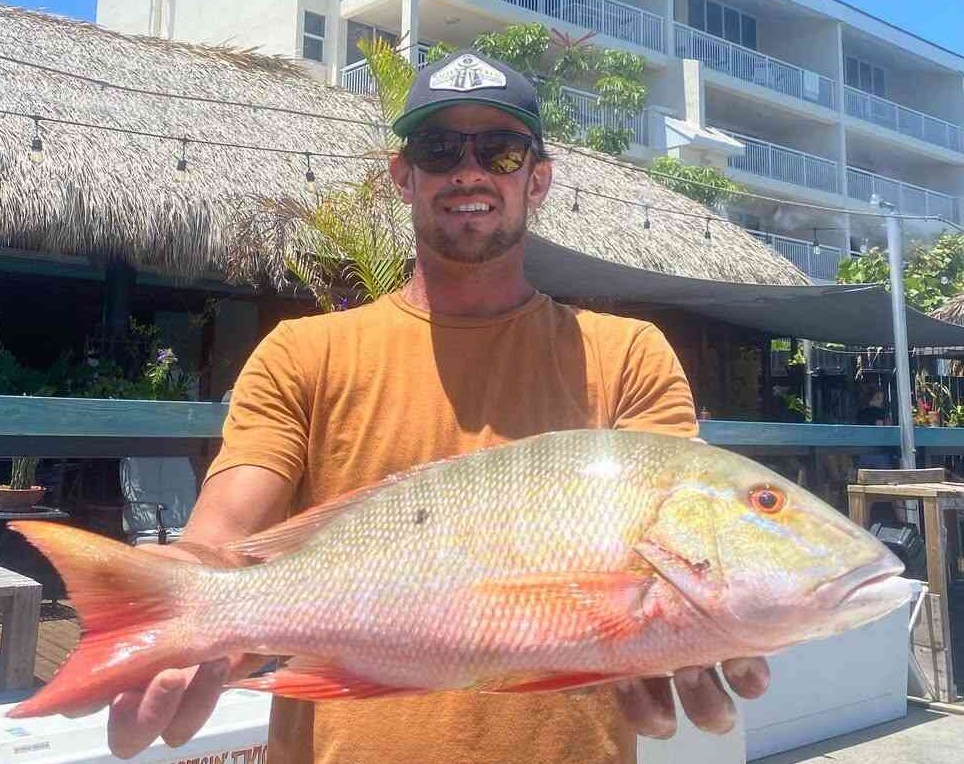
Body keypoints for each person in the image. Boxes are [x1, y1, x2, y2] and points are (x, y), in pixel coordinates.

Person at [98, 50, 769, 762]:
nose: (469, 172)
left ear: (537, 179)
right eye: (439, 149)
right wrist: (183, 627)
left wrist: (707, 622)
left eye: (501, 151)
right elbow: (224, 538)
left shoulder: (628, 354)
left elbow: (677, 538)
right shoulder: (302, 353)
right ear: (404, 176)